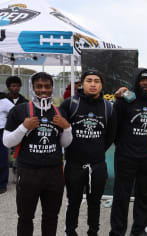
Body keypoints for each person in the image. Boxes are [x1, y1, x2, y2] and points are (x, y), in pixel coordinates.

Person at [2, 72, 73, 236]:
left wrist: (67, 127)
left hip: (54, 173)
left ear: (52, 88)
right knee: (25, 217)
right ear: (32, 88)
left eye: (47, 86)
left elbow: (65, 143)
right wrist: (23, 127)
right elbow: (6, 142)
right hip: (28, 172)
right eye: (39, 86)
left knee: (51, 217)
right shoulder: (20, 111)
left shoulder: (60, 111)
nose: (43, 90)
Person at [60, 70, 117, 236]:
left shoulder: (108, 107)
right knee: (74, 202)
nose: (93, 84)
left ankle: (93, 231)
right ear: (82, 83)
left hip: (97, 165)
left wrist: (96, 150)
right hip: (74, 165)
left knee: (95, 202)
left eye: (97, 81)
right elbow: (62, 132)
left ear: (101, 85)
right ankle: (70, 231)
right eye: (89, 80)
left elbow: (110, 136)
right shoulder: (70, 104)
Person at [109, 68, 147, 236]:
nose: (145, 83)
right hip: (126, 157)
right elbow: (114, 126)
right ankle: (117, 231)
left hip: (146, 158)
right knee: (121, 197)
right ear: (137, 82)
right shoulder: (125, 100)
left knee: (143, 197)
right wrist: (123, 146)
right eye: (142, 80)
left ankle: (138, 230)